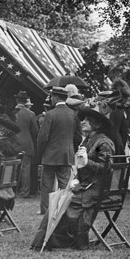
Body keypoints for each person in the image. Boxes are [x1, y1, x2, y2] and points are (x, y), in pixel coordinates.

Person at [31, 105, 115, 250]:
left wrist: (87, 162)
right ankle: (48, 241)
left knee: (61, 201)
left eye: (87, 120)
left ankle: (59, 242)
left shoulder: (104, 142)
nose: (82, 122)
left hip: (95, 190)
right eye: (83, 120)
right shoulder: (87, 140)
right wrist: (77, 178)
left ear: (97, 125)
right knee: (58, 197)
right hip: (85, 187)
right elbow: (82, 166)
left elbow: (106, 168)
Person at [37, 86, 79, 214]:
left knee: (46, 185)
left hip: (50, 155)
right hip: (66, 154)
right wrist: (71, 149)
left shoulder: (50, 114)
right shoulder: (73, 114)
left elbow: (42, 137)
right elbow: (77, 136)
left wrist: (41, 152)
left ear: (55, 97)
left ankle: (45, 210)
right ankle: (63, 209)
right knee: (65, 184)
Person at [14, 90, 38, 198]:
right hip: (27, 143)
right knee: (26, 168)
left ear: (16, 100)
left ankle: (12, 189)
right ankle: (25, 191)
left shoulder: (12, 112)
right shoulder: (31, 114)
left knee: (12, 166)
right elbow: (35, 131)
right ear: (25, 101)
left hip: (13, 142)